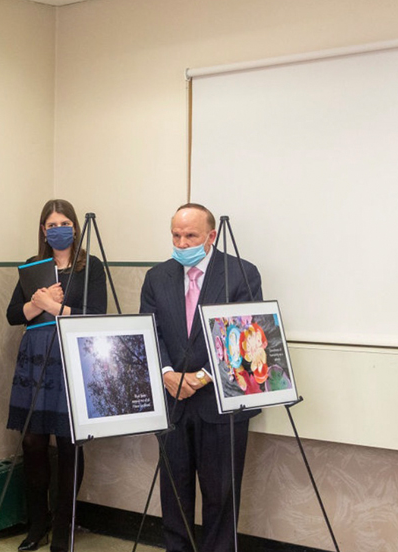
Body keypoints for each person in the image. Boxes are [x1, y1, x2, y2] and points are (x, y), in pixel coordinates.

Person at [139, 203, 262, 552]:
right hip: (172, 402)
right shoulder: (156, 277)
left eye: (190, 235)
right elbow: (150, 332)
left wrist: (203, 377)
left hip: (222, 404)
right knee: (174, 493)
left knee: (221, 496)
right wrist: (166, 373)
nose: (181, 242)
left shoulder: (240, 273)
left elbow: (247, 335)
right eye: (176, 235)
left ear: (211, 236)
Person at [6, 199, 107, 552]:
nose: (58, 228)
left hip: (73, 358)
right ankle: (38, 525)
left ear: (75, 227)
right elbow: (13, 315)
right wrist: (37, 304)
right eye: (51, 224)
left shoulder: (89, 266)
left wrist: (54, 308)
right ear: (43, 231)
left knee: (68, 443)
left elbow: (96, 315)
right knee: (33, 443)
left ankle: (64, 527)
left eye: (64, 222)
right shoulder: (34, 266)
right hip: (35, 360)